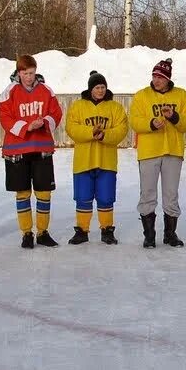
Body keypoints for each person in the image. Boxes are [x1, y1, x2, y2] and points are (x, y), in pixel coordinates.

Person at [0, 54, 63, 248]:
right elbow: (5, 117)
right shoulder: (9, 91)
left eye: (32, 73)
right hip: (17, 149)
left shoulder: (46, 90)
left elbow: (56, 113)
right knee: (23, 193)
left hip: (42, 149)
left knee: (44, 193)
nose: (29, 77)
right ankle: (27, 233)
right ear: (19, 72)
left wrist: (44, 122)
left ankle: (43, 232)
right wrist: (27, 127)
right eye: (25, 73)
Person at [129, 58, 186, 247]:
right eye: (154, 76)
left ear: (168, 79)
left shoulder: (181, 95)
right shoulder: (142, 96)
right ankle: (149, 235)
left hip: (173, 151)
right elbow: (134, 120)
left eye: (160, 77)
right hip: (149, 152)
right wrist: (151, 124)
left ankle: (170, 234)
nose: (156, 80)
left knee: (171, 194)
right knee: (148, 193)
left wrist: (174, 117)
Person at [65, 70, 129, 245]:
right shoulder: (78, 106)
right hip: (84, 161)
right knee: (83, 196)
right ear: (90, 89)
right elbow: (71, 128)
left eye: (103, 87)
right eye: (97, 87)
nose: (100, 90)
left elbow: (121, 130)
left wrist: (104, 135)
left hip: (106, 161)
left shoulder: (114, 107)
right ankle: (82, 230)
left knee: (106, 196)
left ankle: (107, 229)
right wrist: (90, 132)